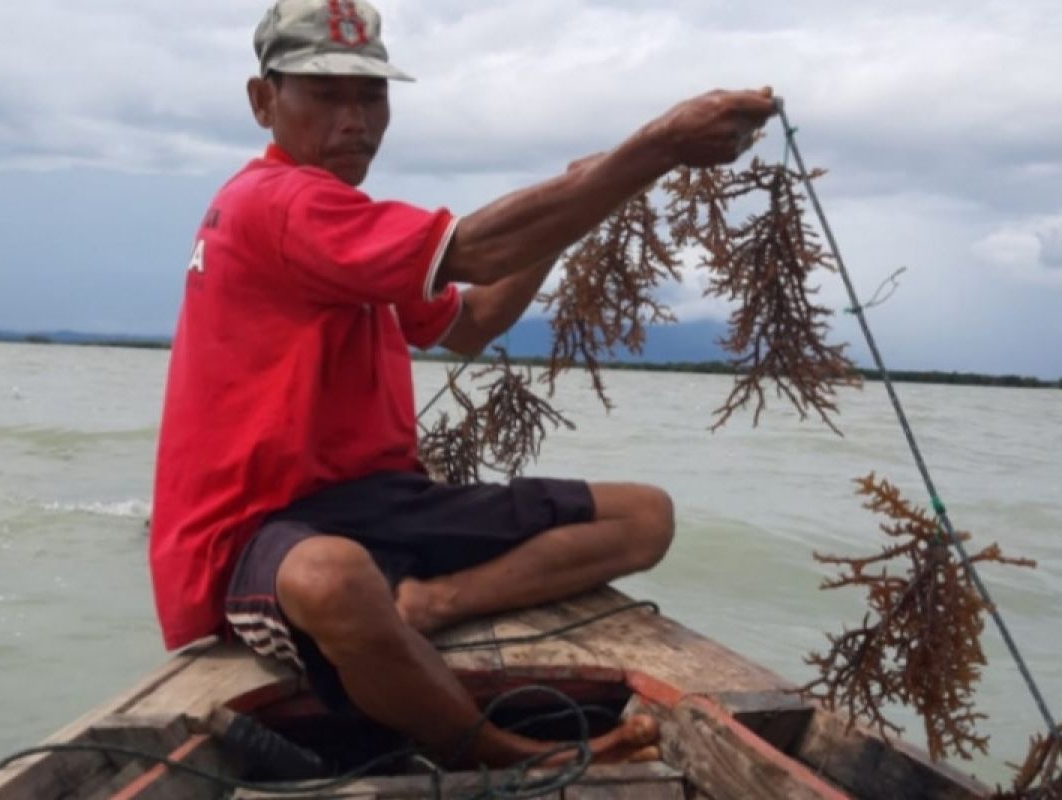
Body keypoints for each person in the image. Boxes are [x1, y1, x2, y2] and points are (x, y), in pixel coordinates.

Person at [150, 0, 775, 769]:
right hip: (259, 525)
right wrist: (656, 148)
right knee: (333, 574)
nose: (356, 119)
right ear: (262, 101)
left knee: (643, 519)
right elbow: (476, 250)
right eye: (325, 93)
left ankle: (428, 604)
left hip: (378, 500)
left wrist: (572, 209)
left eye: (371, 95)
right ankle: (504, 754)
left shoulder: (342, 225)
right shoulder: (276, 203)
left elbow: (473, 319)